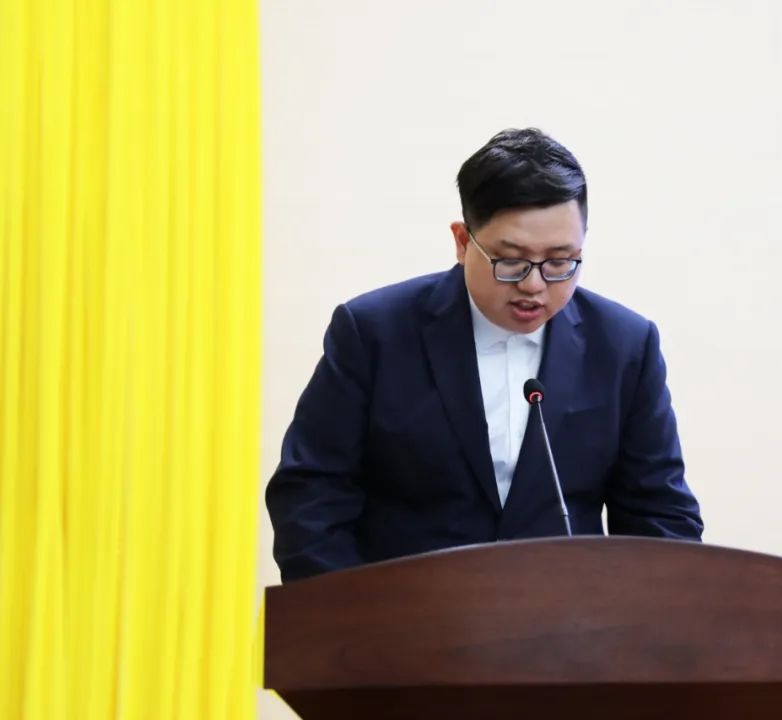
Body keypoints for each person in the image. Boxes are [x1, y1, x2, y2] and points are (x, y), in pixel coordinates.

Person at [266, 128, 703, 582]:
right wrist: (352, 611)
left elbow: (661, 513)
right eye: (510, 261)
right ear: (462, 241)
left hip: (566, 618)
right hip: (402, 614)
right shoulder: (374, 333)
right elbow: (311, 494)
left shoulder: (624, 346)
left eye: (559, 262)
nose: (534, 285)